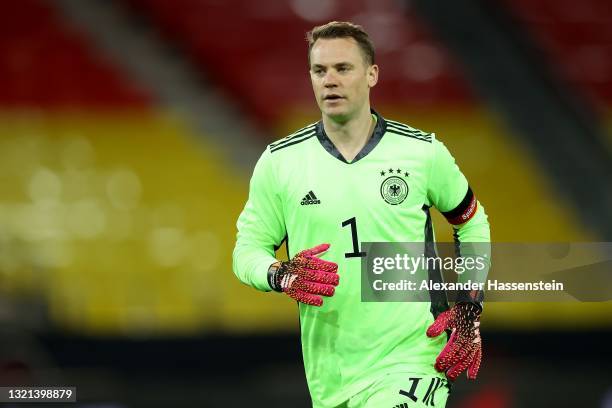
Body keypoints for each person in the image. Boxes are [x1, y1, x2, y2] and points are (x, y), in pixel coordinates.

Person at [233, 21, 490, 408]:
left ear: (372, 75)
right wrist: (278, 273)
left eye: (343, 68)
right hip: (331, 375)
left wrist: (470, 305)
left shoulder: (422, 153)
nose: (330, 80)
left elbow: (471, 221)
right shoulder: (281, 163)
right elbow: (247, 250)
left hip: (414, 360)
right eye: (320, 71)